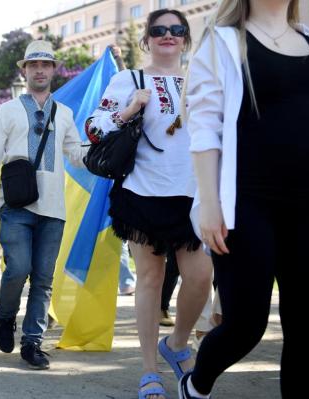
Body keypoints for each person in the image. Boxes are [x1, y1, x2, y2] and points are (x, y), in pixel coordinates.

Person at [182, 0, 309, 396]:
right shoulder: (223, 41)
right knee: (246, 324)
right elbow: (205, 127)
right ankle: (196, 383)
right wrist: (209, 203)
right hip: (248, 203)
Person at [86, 9, 213, 398]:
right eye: (159, 30)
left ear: (186, 38)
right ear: (148, 38)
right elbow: (93, 128)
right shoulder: (129, 79)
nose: (168, 35)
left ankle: (175, 344)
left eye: (177, 30)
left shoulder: (202, 79)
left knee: (200, 277)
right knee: (150, 278)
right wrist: (129, 109)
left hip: (191, 195)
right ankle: (149, 370)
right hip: (141, 193)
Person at [0, 40, 88, 370]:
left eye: (46, 64)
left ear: (54, 70)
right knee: (17, 269)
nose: (40, 70)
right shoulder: (7, 111)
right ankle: (6, 318)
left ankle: (32, 343)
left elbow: (77, 154)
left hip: (54, 208)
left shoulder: (65, 114)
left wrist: (110, 148)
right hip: (16, 205)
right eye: (34, 65)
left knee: (43, 279)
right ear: (25, 70)